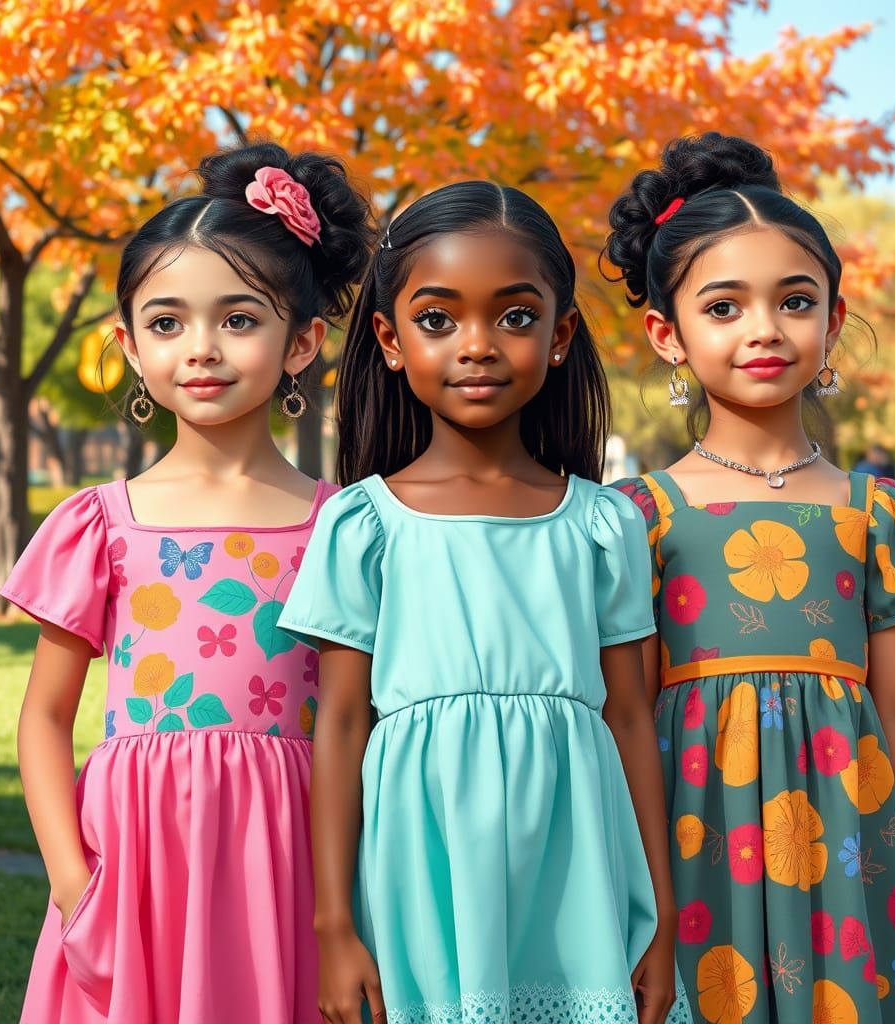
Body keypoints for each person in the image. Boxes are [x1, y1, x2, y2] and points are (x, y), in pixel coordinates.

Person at [278, 181, 692, 1024]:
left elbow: (628, 720)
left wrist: (661, 922)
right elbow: (343, 723)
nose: (478, 346)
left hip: (576, 857)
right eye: (438, 320)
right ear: (391, 341)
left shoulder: (603, 524)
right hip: (421, 862)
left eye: (514, 316)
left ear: (561, 334)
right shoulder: (362, 525)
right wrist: (333, 926)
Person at [2, 141, 376, 1023]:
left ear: (303, 343)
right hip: (135, 862)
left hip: (288, 854)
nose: (201, 350)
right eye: (167, 323)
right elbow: (45, 717)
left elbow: (363, 720)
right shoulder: (101, 522)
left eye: (239, 320)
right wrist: (70, 880)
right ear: (130, 347)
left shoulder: (343, 526)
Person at [604, 132, 895, 1023]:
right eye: (724, 307)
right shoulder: (636, 515)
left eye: (795, 301)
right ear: (667, 334)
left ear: (833, 322)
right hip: (698, 837)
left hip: (848, 842)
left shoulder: (876, 510)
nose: (765, 329)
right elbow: (627, 716)